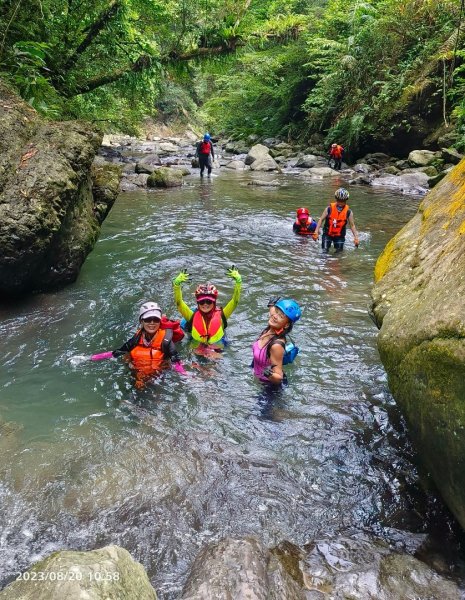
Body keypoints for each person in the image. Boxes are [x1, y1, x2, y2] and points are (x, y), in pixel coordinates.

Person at [111, 302, 185, 388]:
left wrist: (186, 377)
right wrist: (94, 357)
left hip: (159, 378)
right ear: (141, 321)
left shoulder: (166, 341)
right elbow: (118, 352)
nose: (152, 323)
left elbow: (177, 363)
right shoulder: (135, 339)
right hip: (137, 376)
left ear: (160, 321)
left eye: (156, 319)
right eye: (148, 319)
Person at [172, 266, 242, 352]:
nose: (205, 304)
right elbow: (179, 303)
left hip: (216, 349)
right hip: (197, 349)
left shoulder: (222, 315)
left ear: (214, 302)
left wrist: (238, 283)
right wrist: (177, 285)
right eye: (202, 302)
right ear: (198, 303)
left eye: (209, 301)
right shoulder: (191, 316)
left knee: (214, 359)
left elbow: (235, 302)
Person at [252, 298, 301, 385]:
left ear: (286, 325)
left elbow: (279, 377)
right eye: (277, 311)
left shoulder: (276, 346)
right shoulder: (271, 328)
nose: (275, 316)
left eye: (281, 316)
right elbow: (273, 312)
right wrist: (271, 305)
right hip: (257, 375)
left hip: (268, 388)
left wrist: (269, 373)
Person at [314, 187, 359, 253]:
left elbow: (352, 226)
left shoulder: (349, 212)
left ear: (346, 200)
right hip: (327, 234)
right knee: (324, 251)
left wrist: (356, 238)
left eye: (342, 201)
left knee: (339, 252)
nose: (340, 203)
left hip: (339, 236)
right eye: (338, 201)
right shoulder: (329, 209)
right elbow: (321, 220)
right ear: (336, 199)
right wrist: (316, 232)